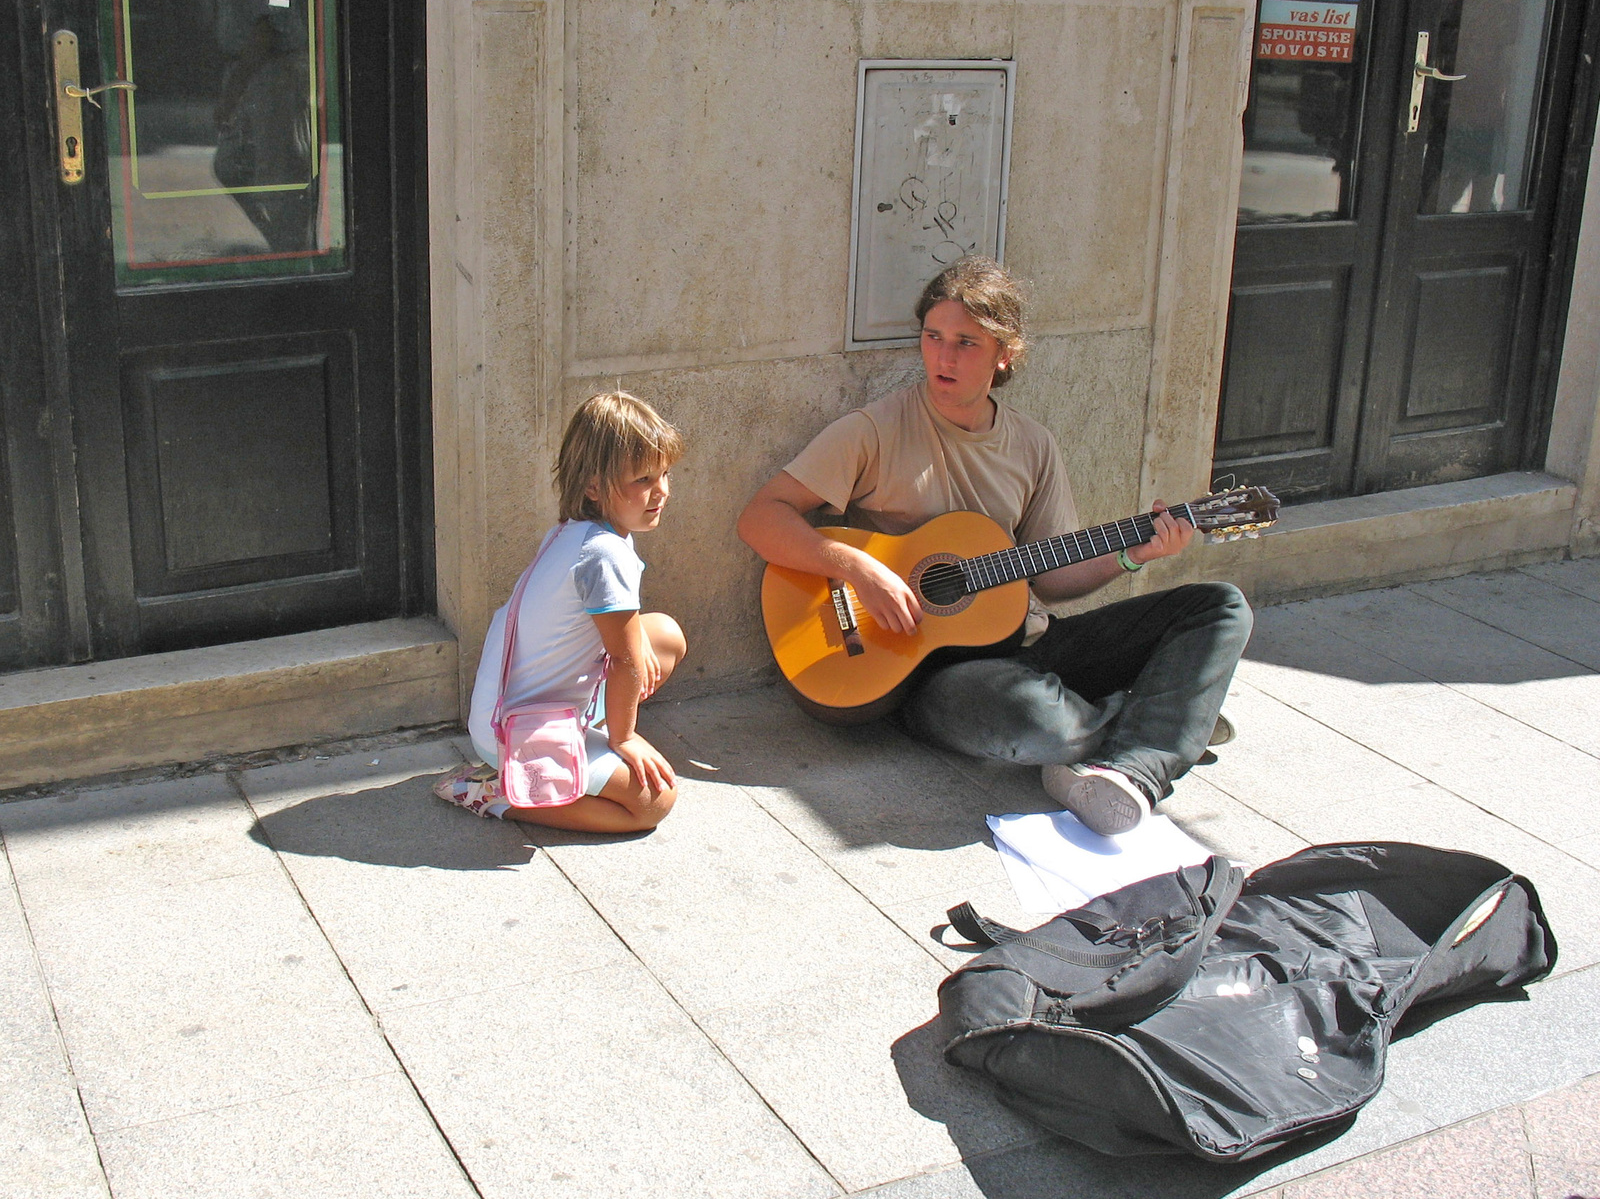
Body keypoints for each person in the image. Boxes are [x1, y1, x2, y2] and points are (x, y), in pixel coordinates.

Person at [737, 257, 1252, 836]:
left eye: (966, 343)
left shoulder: (1032, 445)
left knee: (1220, 606)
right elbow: (762, 518)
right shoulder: (874, 430)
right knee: (1036, 720)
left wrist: (1135, 555)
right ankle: (1166, 723)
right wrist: (856, 567)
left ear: (1004, 354)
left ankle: (1126, 762)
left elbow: (1052, 577)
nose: (944, 357)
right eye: (933, 337)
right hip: (933, 674)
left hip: (1031, 645)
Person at [435, 391, 687, 832]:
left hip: (508, 707)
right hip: (516, 731)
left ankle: (583, 742)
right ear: (594, 486)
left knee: (663, 634)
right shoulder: (604, 554)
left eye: (665, 473)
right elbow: (625, 659)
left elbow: (625, 646)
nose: (661, 491)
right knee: (654, 803)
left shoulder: (578, 533)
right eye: (643, 479)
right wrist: (624, 739)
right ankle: (494, 793)